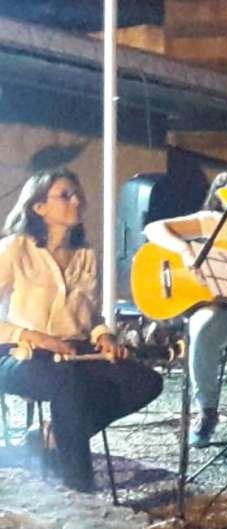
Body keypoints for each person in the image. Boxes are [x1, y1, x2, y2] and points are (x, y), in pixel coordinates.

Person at [0, 170, 163, 491]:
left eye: (77, 195)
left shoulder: (86, 255)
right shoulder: (14, 249)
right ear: (38, 207)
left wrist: (104, 336)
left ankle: (56, 437)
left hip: (75, 352)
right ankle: (79, 484)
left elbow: (92, 316)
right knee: (69, 385)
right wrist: (36, 337)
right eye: (65, 195)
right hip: (21, 354)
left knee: (145, 381)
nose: (77, 201)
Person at [141, 170, 227, 447]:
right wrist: (185, 251)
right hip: (225, 311)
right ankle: (207, 410)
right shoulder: (212, 222)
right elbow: (153, 229)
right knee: (202, 326)